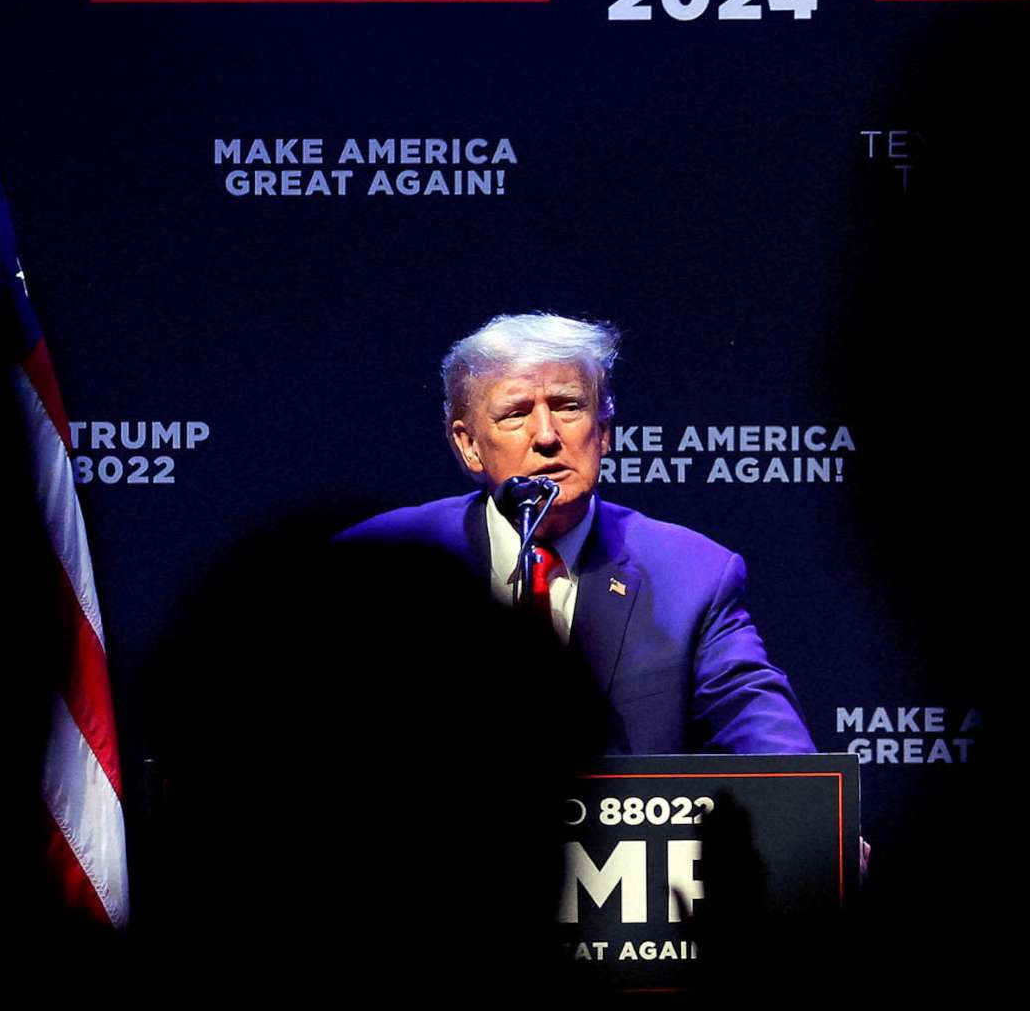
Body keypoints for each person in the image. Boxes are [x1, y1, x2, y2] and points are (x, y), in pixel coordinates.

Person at [341, 312, 816, 755]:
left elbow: (763, 730)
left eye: (568, 407)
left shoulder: (692, 574)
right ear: (469, 446)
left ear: (604, 432)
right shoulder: (378, 564)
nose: (546, 435)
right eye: (515, 413)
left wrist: (814, 823)